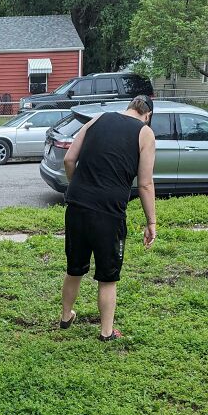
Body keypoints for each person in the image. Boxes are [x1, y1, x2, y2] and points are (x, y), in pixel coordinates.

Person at [59, 95, 157, 341]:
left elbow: (69, 159)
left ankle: (65, 316)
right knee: (108, 277)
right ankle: (106, 332)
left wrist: (80, 189)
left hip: (77, 206)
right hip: (108, 213)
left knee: (74, 269)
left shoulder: (97, 119)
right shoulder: (145, 133)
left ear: (128, 108)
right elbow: (145, 184)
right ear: (147, 116)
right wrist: (151, 222)